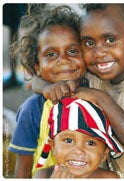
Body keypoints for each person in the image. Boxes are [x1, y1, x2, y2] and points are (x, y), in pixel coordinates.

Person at [33, 4, 124, 178]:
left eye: (110, 40)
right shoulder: (95, 77)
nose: (99, 52)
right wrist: (47, 88)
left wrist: (102, 99)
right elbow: (35, 79)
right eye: (89, 43)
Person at [8, 5, 86, 178]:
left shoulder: (94, 89)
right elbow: (23, 169)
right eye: (51, 54)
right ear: (37, 66)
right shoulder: (32, 110)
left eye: (72, 51)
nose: (64, 60)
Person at [35, 97, 121, 178]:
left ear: (104, 154)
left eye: (90, 143)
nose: (79, 151)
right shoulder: (43, 176)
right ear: (53, 146)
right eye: (68, 140)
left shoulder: (109, 178)